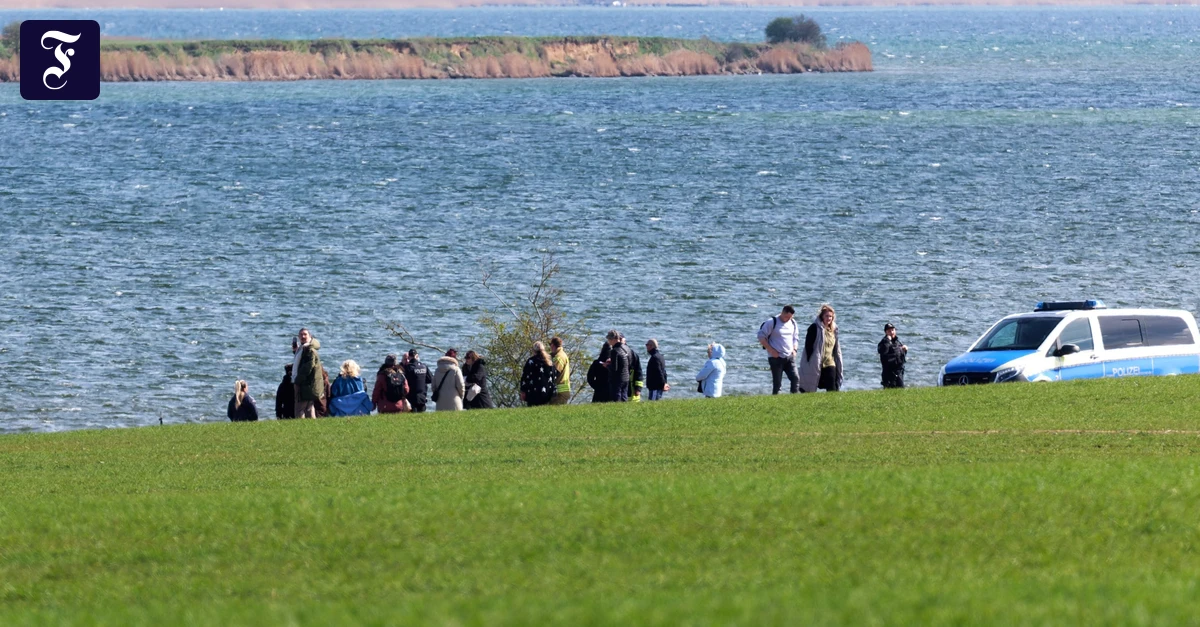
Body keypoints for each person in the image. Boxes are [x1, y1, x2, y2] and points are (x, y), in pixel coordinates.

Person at [799, 304, 844, 393]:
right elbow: (808, 346)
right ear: (822, 316)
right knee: (809, 388)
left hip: (830, 362)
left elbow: (836, 348)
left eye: (830, 316)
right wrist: (810, 361)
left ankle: (832, 405)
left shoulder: (834, 330)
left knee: (832, 388)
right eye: (826, 316)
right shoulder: (814, 327)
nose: (829, 318)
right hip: (816, 362)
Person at [758, 305, 801, 394]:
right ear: (782, 312)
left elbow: (795, 338)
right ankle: (776, 400)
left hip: (789, 356)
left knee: (795, 378)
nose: (787, 319)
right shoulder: (772, 322)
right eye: (786, 317)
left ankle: (795, 399)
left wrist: (795, 349)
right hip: (775, 358)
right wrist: (771, 350)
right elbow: (761, 336)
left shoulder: (793, 323)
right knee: (777, 384)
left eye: (790, 317)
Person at [292, 328, 324, 418]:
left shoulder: (309, 350)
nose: (303, 336)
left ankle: (300, 428)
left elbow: (307, 367)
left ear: (310, 336)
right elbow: (303, 361)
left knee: (299, 409)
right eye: (301, 335)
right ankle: (311, 427)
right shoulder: (304, 347)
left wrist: (298, 380)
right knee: (309, 407)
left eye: (305, 334)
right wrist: (295, 351)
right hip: (307, 383)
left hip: (305, 383)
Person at [520, 342, 557, 407]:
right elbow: (554, 377)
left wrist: (523, 391)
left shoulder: (530, 361)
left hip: (532, 394)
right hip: (547, 394)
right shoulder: (549, 362)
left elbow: (525, 377)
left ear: (534, 350)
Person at [403, 349, 434, 413]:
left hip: (411, 397)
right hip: (422, 396)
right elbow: (430, 379)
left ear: (409, 357)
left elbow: (404, 381)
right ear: (417, 356)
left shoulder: (407, 368)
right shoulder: (424, 366)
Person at [878, 323, 908, 389]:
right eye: (889, 331)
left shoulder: (898, 342)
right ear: (886, 332)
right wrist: (887, 341)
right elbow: (883, 352)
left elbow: (900, 357)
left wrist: (904, 350)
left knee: (901, 392)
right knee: (889, 394)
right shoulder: (883, 342)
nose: (891, 332)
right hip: (889, 373)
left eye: (893, 330)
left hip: (899, 372)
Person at [605, 330, 632, 402]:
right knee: (624, 398)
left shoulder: (615, 351)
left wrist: (607, 365)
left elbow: (614, 368)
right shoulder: (627, 348)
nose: (608, 341)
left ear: (613, 339)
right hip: (626, 377)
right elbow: (629, 363)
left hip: (617, 380)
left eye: (609, 339)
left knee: (616, 400)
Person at [548, 337, 571, 405]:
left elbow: (554, 373)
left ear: (553, 345)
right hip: (563, 391)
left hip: (560, 393)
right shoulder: (561, 355)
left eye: (550, 344)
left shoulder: (559, 357)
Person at [623, 333, 644, 402]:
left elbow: (639, 372)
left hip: (631, 390)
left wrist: (638, 388)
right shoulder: (614, 352)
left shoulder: (632, 354)